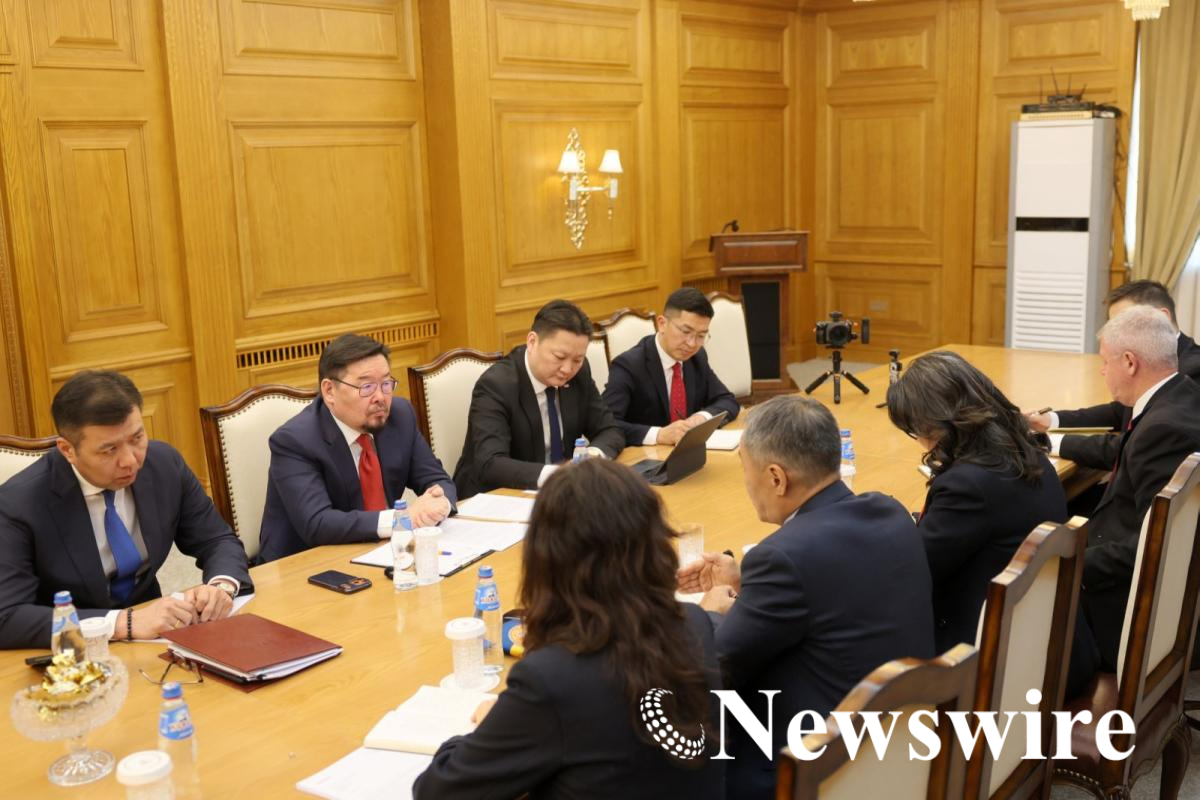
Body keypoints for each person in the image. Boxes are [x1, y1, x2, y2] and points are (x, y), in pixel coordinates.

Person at [413, 459, 725, 799]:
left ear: (546, 558)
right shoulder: (694, 624)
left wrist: (495, 725)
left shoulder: (550, 680)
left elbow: (438, 790)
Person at [677, 395, 933, 799]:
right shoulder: (891, 512)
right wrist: (745, 583)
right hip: (901, 745)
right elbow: (831, 585)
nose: (745, 482)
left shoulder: (782, 558)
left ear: (776, 478)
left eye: (744, 467)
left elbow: (712, 668)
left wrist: (711, 613)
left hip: (818, 766)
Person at [886, 351, 1098, 697]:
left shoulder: (966, 486)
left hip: (995, 670)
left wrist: (889, 527)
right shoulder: (1028, 455)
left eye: (915, 431)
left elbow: (916, 572)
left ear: (936, 427)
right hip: (1057, 650)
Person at [0, 371, 252, 649]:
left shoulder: (164, 464)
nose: (130, 460)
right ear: (67, 450)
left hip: (155, 640)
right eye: (109, 450)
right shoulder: (19, 503)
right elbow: (8, 616)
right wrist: (122, 623)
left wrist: (221, 587)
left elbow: (216, 540)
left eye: (137, 438)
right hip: (69, 654)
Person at [258, 334, 456, 563]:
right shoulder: (295, 441)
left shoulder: (399, 416)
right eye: (367, 387)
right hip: (305, 565)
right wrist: (400, 520)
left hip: (383, 554)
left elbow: (437, 479)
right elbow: (317, 523)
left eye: (386, 384)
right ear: (329, 391)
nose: (380, 397)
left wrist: (439, 503)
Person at [1075, 306, 1200, 670]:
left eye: (1105, 362)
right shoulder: (1182, 394)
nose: (1102, 371)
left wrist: (1071, 566)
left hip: (1131, 616)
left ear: (1130, 362)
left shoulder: (1164, 430)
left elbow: (1156, 545)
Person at [454, 300, 624, 498]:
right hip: (497, 499)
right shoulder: (496, 385)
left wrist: (590, 459)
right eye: (559, 357)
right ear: (532, 342)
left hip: (561, 495)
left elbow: (610, 429)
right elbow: (491, 463)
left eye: (577, 360)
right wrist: (558, 475)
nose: (568, 369)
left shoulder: (579, 373)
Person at [1027, 280, 1200, 472]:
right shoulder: (1160, 364)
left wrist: (1046, 441)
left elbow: (1135, 447)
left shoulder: (1192, 371)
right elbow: (1120, 413)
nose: (1114, 332)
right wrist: (1052, 419)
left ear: (1162, 318)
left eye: (1124, 322)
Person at [602, 288, 739, 446]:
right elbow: (607, 425)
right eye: (685, 332)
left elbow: (727, 400)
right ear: (662, 324)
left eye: (701, 336)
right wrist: (658, 434)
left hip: (686, 452)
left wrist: (701, 418)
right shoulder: (629, 365)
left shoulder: (696, 357)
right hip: (645, 456)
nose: (692, 344)